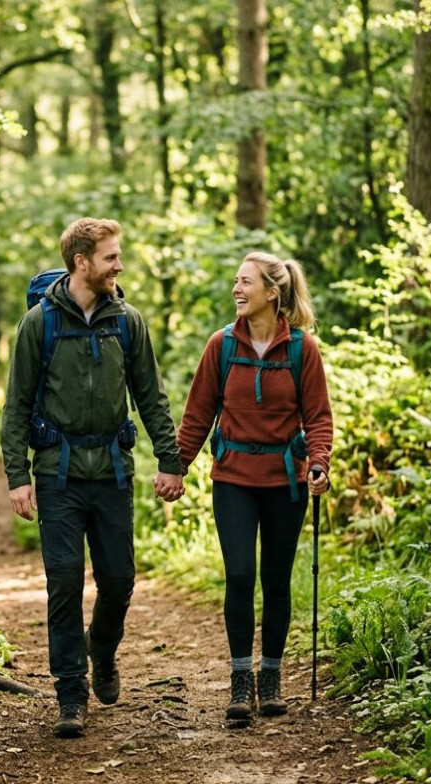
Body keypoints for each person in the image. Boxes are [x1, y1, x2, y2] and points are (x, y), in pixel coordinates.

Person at [1, 217, 185, 738]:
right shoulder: (40, 324)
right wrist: (18, 476)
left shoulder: (128, 321)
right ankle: (70, 696)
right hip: (57, 474)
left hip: (112, 473)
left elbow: (151, 395)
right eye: (110, 257)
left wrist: (169, 459)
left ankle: (101, 649)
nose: (119, 265)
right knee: (62, 583)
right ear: (81, 262)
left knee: (119, 581)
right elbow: (15, 405)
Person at [176, 251, 333, 723]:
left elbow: (318, 417)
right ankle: (241, 681)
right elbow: (198, 413)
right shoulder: (220, 346)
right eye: (236, 282)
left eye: (245, 283)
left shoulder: (302, 349)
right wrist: (176, 466)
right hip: (233, 480)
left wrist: (319, 463)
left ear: (272, 292)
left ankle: (271, 676)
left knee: (277, 580)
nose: (236, 290)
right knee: (241, 575)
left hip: (286, 481)